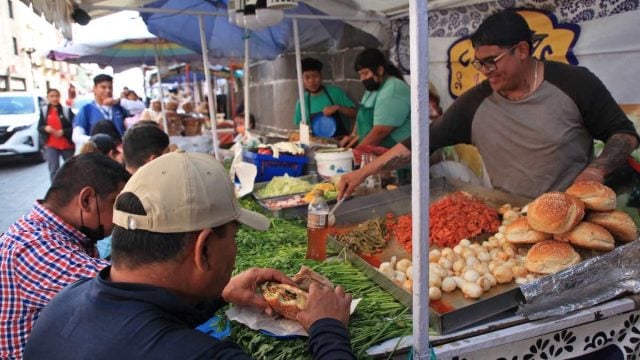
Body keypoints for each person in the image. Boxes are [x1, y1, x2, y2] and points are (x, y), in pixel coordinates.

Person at [24, 150, 355, 360]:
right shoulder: (202, 354)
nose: (236, 249)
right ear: (204, 250)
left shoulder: (64, 301)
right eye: (234, 236)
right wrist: (327, 328)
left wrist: (218, 296)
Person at [338, 10, 639, 200]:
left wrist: (596, 170)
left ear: (522, 50)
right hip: (508, 216)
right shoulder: (476, 103)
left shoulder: (574, 83)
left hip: (569, 215)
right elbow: (418, 143)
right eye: (479, 63)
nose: (485, 71)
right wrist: (361, 173)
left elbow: (624, 135)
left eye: (491, 61)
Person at [0, 154, 130, 359]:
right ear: (87, 200)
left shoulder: (65, 234)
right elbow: (129, 290)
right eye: (117, 205)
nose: (120, 218)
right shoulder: (33, 248)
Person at [339, 49, 411, 149]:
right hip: (375, 151)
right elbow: (362, 114)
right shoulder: (372, 89)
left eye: (365, 73)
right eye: (360, 74)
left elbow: (380, 132)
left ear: (380, 70)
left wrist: (357, 152)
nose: (362, 78)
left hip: (397, 155)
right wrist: (353, 135)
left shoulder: (393, 90)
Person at [293, 57, 356, 138]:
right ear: (302, 80)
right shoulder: (301, 102)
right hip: (318, 145)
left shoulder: (335, 92)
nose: (312, 81)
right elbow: (301, 129)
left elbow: (355, 113)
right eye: (307, 77)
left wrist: (338, 107)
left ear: (320, 76)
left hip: (342, 143)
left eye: (315, 76)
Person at [72, 74, 129, 150]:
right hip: (98, 153)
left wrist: (119, 101)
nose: (108, 90)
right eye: (103, 87)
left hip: (119, 154)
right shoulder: (86, 110)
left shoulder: (118, 107)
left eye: (110, 87)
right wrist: (98, 141)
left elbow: (140, 109)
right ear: (94, 89)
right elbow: (76, 137)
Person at [38, 88, 75, 181]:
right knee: (54, 170)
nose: (54, 98)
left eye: (56, 96)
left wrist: (63, 131)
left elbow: (75, 126)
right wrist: (45, 128)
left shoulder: (66, 111)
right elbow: (39, 127)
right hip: (51, 145)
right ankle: (55, 192)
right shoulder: (44, 111)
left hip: (66, 145)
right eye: (52, 96)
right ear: (47, 98)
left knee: (71, 169)